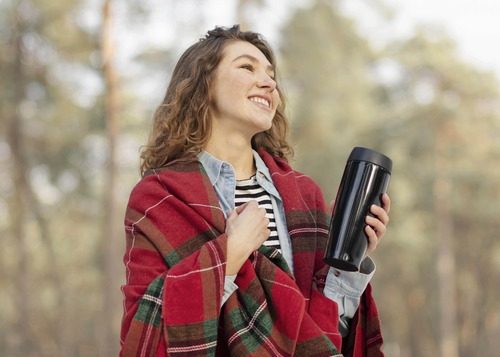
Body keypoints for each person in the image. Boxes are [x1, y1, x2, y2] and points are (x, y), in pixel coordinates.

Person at [120, 25, 391, 357]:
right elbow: (144, 333)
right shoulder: (158, 198)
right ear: (203, 85)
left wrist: (346, 262)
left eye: (271, 74)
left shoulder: (305, 196)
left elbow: (322, 332)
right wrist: (230, 253)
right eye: (247, 67)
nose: (269, 83)